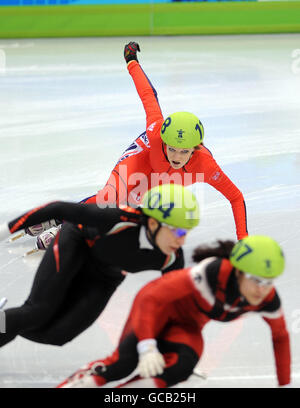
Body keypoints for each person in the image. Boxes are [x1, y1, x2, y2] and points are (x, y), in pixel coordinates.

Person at [25, 41, 248, 250]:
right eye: (171, 148)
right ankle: (58, 219)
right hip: (143, 158)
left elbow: (235, 197)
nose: (176, 157)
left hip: (161, 180)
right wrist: (131, 60)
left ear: (196, 148)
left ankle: (66, 223)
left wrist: (243, 242)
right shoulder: (155, 130)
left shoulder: (206, 165)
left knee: (128, 211)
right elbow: (148, 95)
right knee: (110, 197)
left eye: (184, 151)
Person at [57, 235, 291, 388]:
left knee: (181, 366)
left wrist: (285, 385)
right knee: (124, 363)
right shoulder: (207, 275)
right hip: (155, 307)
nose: (262, 289)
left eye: (269, 281)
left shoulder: (267, 299)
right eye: (255, 279)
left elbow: (280, 337)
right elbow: (151, 298)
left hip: (187, 325)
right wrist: (147, 345)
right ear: (238, 271)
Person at [0, 183, 199, 347]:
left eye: (187, 233)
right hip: (77, 244)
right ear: (154, 224)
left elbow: (173, 304)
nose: (182, 241)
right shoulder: (117, 219)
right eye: (179, 232)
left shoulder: (171, 258)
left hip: (106, 275)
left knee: (58, 335)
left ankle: (4, 322)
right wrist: (4, 231)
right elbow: (57, 208)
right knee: (38, 311)